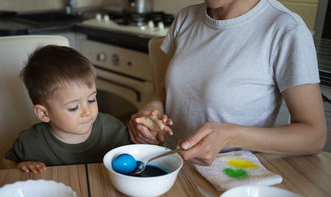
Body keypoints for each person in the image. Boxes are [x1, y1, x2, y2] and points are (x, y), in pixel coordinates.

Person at [128, 0, 326, 166]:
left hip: (232, 175)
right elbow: (167, 90)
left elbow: (314, 136)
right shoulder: (186, 17)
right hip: (169, 166)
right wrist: (152, 110)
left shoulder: (285, 28)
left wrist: (230, 135)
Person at [3, 45, 132, 173]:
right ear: (43, 113)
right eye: (73, 108)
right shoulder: (30, 142)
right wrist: (19, 167)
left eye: (91, 100)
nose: (88, 112)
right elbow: (7, 162)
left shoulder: (112, 129)